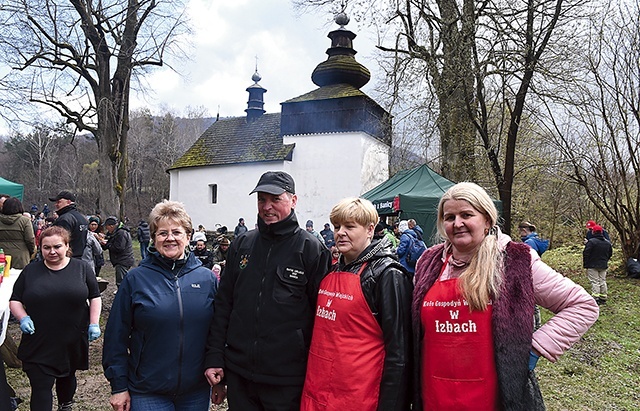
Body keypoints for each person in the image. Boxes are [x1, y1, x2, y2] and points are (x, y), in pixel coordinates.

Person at [412, 182, 599, 410]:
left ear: (487, 220)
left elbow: (582, 305)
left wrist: (534, 349)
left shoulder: (516, 260)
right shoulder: (428, 262)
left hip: (495, 396)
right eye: (449, 217)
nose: (457, 223)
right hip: (434, 393)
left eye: (466, 215)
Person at [204, 171, 331, 410]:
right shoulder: (242, 245)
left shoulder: (311, 249)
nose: (267, 207)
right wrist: (215, 356)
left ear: (293, 201)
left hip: (287, 379)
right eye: (262, 199)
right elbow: (224, 305)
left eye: (275, 199)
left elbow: (321, 320)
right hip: (240, 374)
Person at [103, 200, 222, 411]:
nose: (170, 238)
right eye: (162, 233)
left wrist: (220, 376)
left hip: (195, 391)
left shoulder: (207, 279)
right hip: (148, 390)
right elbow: (116, 335)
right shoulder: (135, 279)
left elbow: (218, 331)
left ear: (188, 236)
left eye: (176, 232)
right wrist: (118, 385)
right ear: (153, 238)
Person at [300, 197, 412, 410]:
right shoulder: (330, 270)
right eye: (336, 226)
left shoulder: (387, 276)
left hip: (359, 397)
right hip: (318, 392)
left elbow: (399, 354)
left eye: (349, 226)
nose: (340, 232)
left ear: (370, 230)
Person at [9, 226, 102, 411]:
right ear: (40, 247)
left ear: (67, 246)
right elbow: (15, 299)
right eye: (46, 247)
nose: (52, 251)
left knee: (67, 379)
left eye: (57, 246)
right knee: (41, 387)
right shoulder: (31, 270)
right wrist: (23, 318)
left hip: (71, 339)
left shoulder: (81, 268)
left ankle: (65, 405)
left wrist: (94, 323)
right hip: (39, 340)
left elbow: (95, 296)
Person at [49, 191, 88, 259]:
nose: (56, 204)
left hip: (65, 258)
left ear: (68, 202)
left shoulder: (65, 219)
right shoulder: (82, 218)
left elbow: (58, 241)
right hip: (79, 257)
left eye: (59, 202)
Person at [0, 197, 36, 270]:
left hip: (1, 255)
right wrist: (31, 251)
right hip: (21, 256)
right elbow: (30, 239)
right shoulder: (25, 221)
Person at [100, 217, 134, 289]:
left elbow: (119, 248)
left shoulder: (121, 233)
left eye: (107, 227)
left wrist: (107, 244)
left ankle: (124, 296)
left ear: (111, 226)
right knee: (123, 280)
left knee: (121, 281)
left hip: (123, 260)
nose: (107, 229)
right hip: (122, 260)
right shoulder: (116, 233)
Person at [583, 225, 613, 305]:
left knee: (594, 281)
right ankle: (603, 297)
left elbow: (586, 253)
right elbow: (610, 253)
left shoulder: (591, 242)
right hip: (603, 265)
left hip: (592, 265)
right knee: (602, 281)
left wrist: (586, 264)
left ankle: (595, 298)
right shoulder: (607, 243)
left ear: (593, 232)